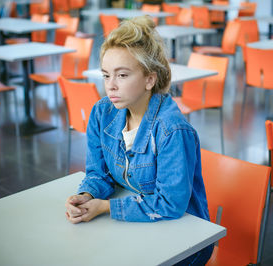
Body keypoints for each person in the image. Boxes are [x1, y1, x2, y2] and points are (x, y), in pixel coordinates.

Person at [65, 16, 213, 265]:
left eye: (122, 75)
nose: (110, 86)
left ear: (149, 79)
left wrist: (105, 208)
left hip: (184, 243)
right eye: (105, 75)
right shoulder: (102, 113)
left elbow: (170, 205)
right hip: (140, 227)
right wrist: (87, 195)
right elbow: (98, 174)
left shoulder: (171, 130)